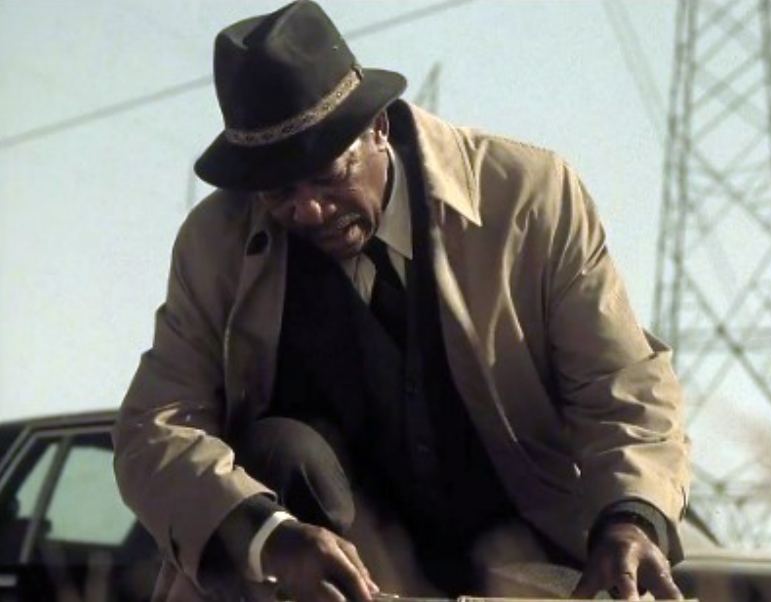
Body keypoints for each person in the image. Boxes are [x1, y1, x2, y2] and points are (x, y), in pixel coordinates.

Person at [112, 2, 691, 601]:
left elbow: (619, 382)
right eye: (278, 191)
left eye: (329, 175)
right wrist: (266, 536)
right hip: (326, 583)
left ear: (379, 129)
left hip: (526, 559)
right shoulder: (215, 245)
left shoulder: (530, 198)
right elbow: (155, 427)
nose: (308, 209)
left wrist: (632, 515)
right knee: (278, 450)